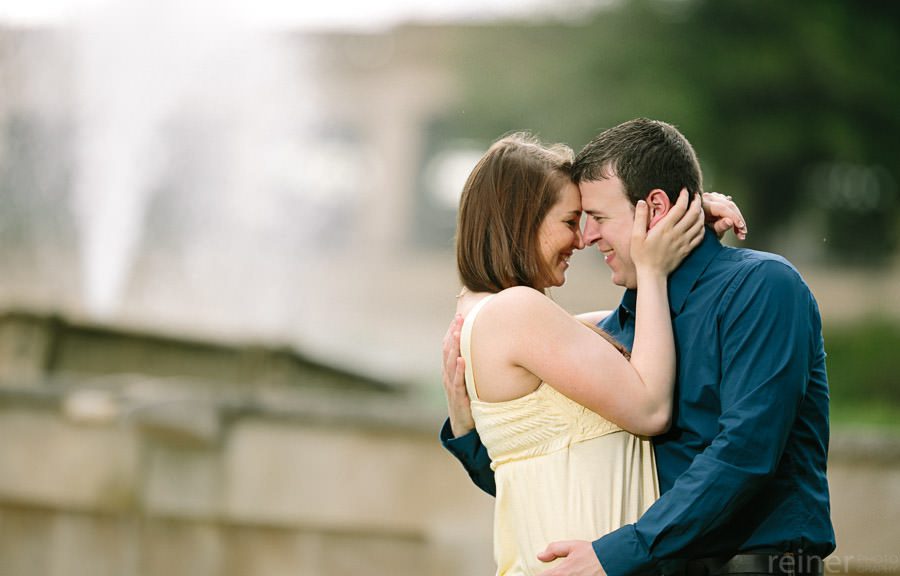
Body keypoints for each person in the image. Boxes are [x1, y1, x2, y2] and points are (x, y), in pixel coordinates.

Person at [441, 119, 834, 576]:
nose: (586, 237)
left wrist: (616, 553)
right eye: (576, 220)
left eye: (598, 218)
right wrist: (469, 429)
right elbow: (554, 474)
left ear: (656, 208)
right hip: (652, 565)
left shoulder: (762, 287)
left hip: (752, 564)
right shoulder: (620, 329)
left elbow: (746, 453)